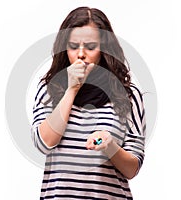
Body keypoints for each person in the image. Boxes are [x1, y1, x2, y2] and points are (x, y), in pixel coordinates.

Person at [31, 6, 146, 199]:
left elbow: (132, 169)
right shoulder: (49, 89)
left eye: (91, 47)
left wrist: (110, 145)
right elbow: (44, 143)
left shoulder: (127, 94)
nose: (81, 54)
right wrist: (72, 89)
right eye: (74, 46)